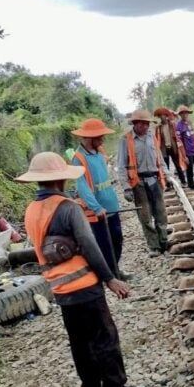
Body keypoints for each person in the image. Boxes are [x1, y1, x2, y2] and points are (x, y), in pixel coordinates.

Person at [15, 152, 148, 387]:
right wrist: (110, 278)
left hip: (60, 289)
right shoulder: (68, 208)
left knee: (79, 341)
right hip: (85, 285)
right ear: (60, 180)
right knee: (104, 338)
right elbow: (89, 245)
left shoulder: (31, 210)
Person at [70, 118, 128, 280]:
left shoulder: (100, 151)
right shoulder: (79, 158)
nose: (102, 139)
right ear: (89, 138)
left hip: (111, 206)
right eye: (99, 136)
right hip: (97, 212)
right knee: (103, 245)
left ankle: (115, 270)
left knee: (117, 240)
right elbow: (82, 187)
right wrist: (96, 208)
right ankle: (109, 275)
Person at [117, 109, 168, 257]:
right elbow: (121, 166)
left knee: (161, 213)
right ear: (135, 124)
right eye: (143, 124)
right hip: (138, 183)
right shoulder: (125, 140)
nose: (146, 127)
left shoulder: (152, 136)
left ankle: (164, 241)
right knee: (145, 216)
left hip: (155, 179)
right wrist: (126, 187)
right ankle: (154, 246)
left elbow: (160, 158)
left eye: (147, 124)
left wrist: (167, 175)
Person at [153, 107, 187, 186]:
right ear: (159, 117)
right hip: (164, 149)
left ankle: (183, 181)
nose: (162, 117)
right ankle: (168, 184)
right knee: (166, 166)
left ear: (166, 116)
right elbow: (157, 139)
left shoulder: (172, 125)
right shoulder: (158, 128)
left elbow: (177, 134)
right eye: (160, 116)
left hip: (173, 148)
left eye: (164, 115)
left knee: (177, 165)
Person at [175, 105, 194, 190]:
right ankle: (191, 185)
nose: (185, 115)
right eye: (182, 114)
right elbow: (179, 142)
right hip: (187, 152)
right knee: (190, 168)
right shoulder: (178, 126)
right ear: (180, 115)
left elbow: (193, 136)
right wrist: (184, 156)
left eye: (186, 113)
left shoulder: (189, 123)